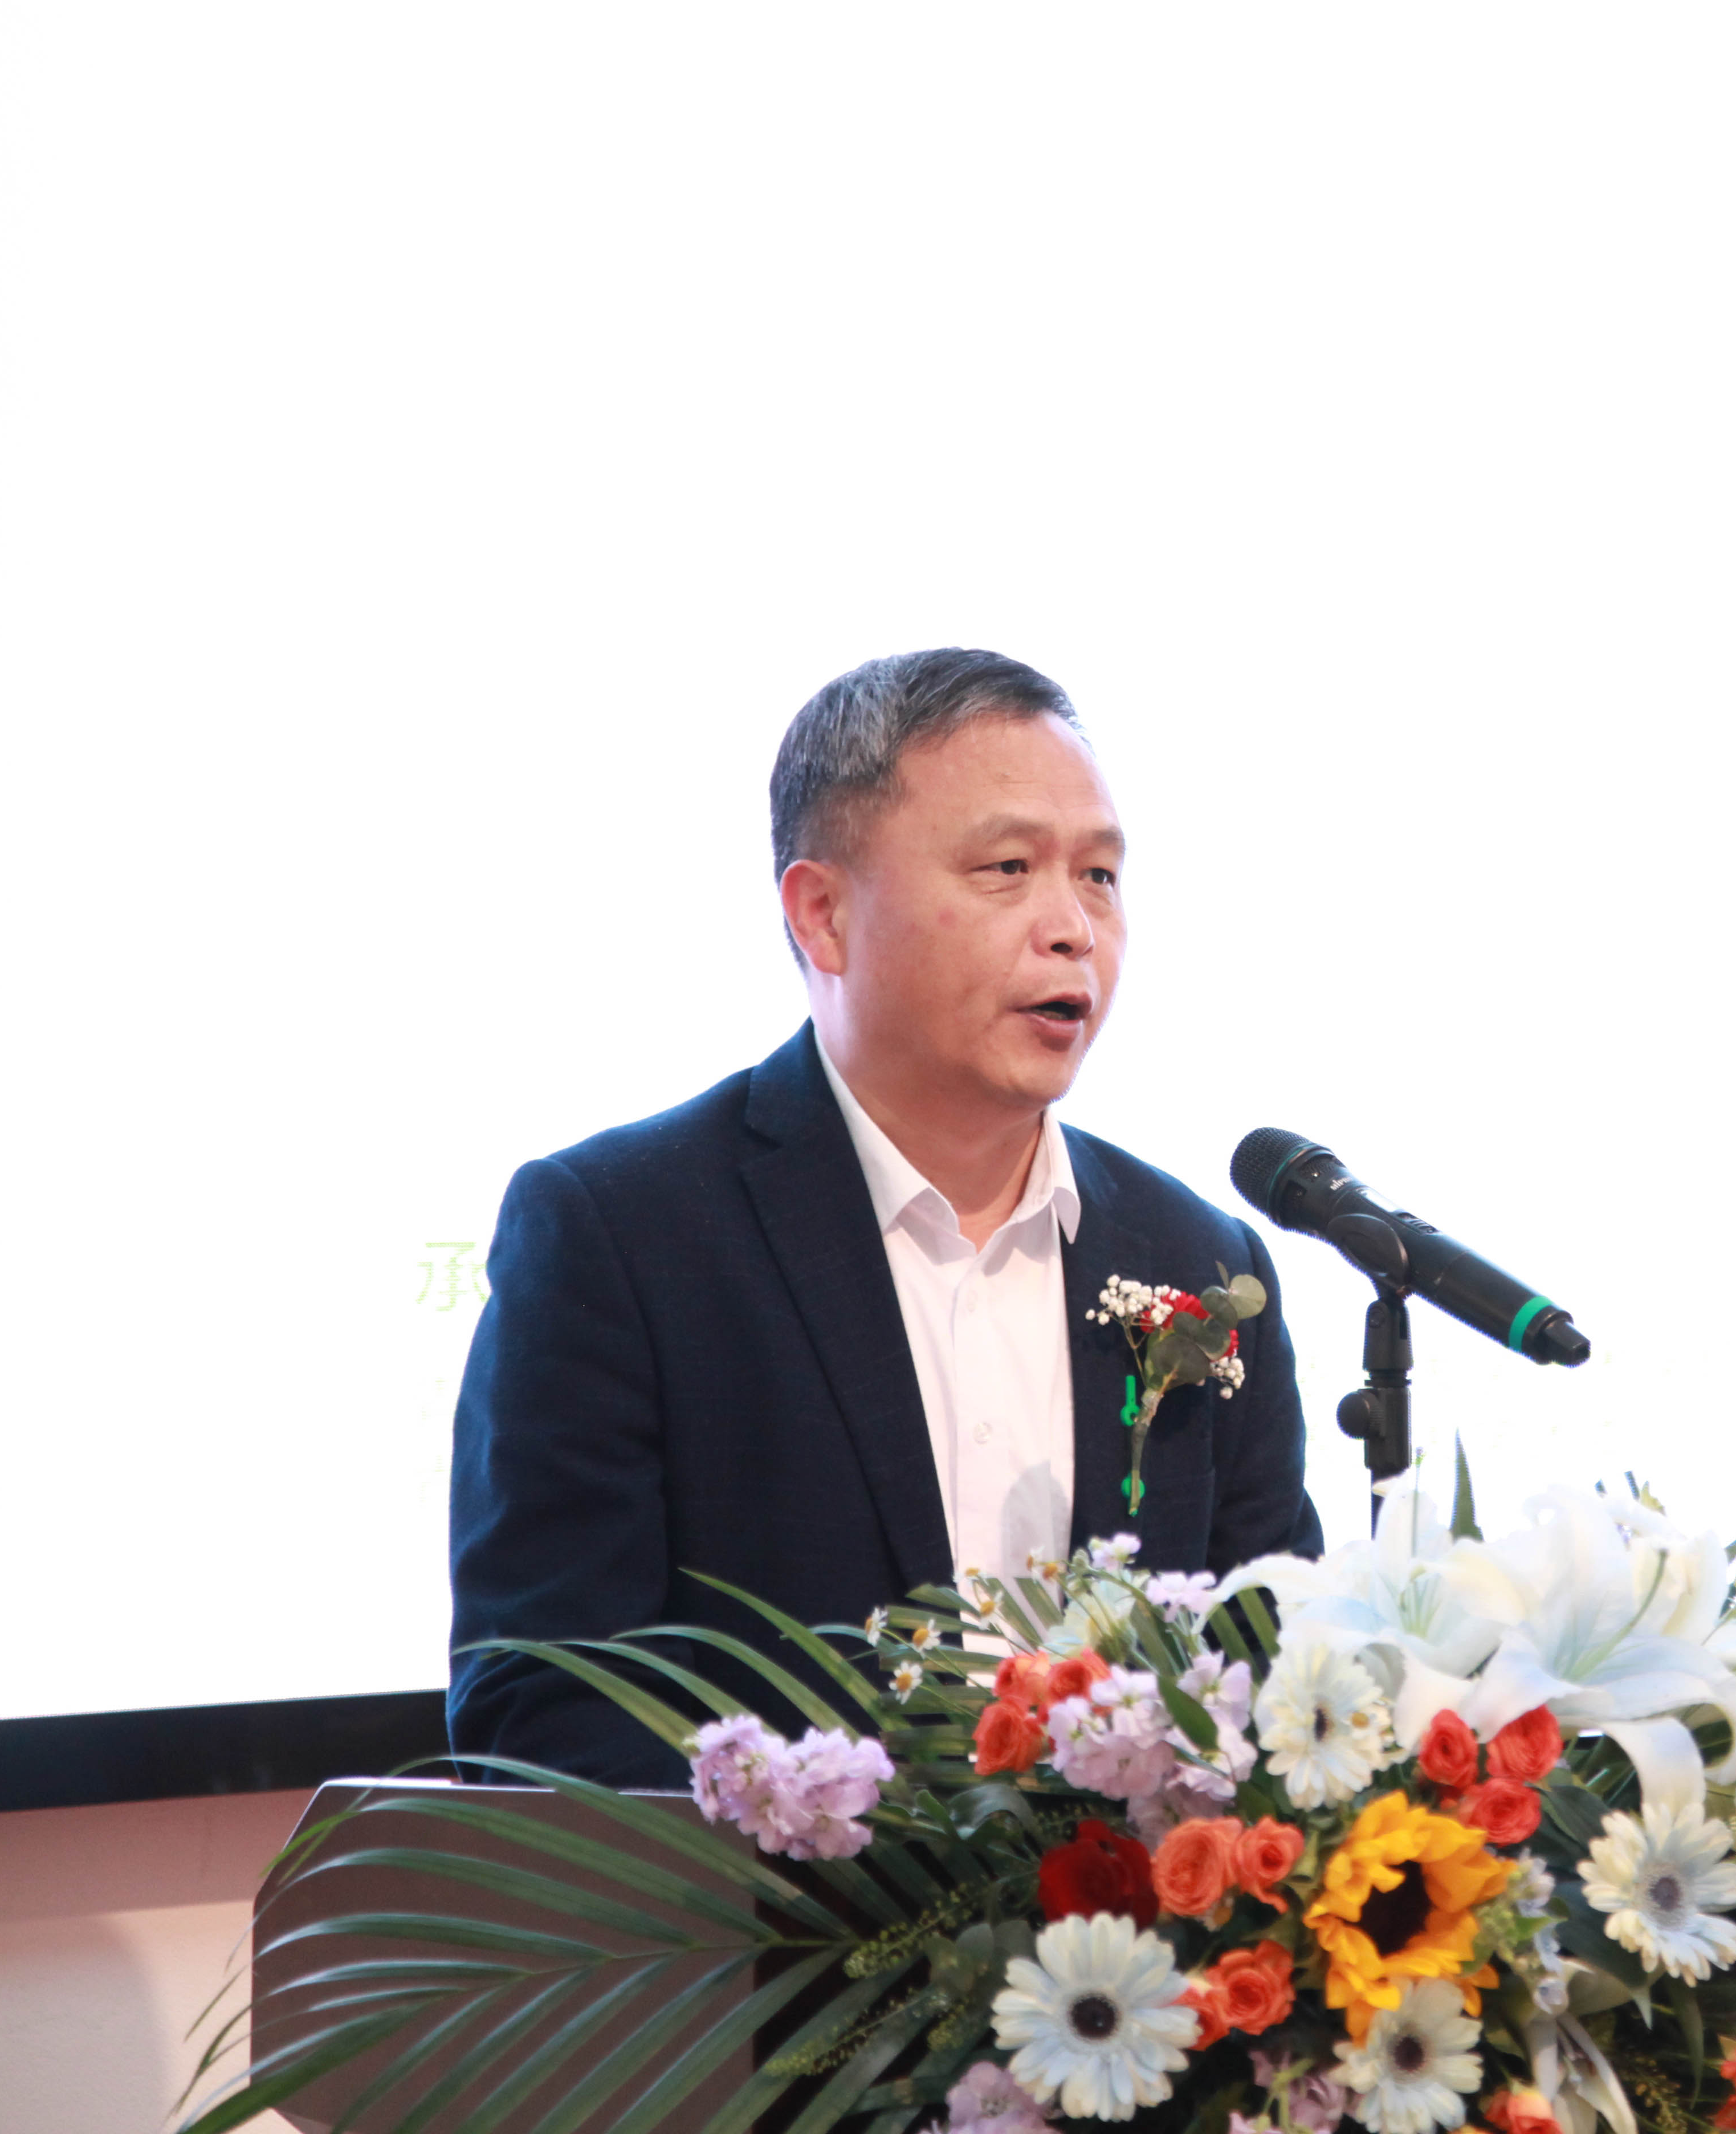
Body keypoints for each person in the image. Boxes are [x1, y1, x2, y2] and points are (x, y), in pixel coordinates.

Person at [446, 649, 1323, 1787]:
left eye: (1101, 876)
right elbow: (548, 1719)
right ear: (823, 915)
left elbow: (1275, 1671)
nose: (1074, 927)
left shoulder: (1200, 1261)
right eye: (1009, 868)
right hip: (770, 1909)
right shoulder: (623, 1236)